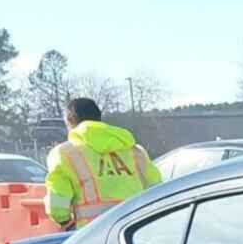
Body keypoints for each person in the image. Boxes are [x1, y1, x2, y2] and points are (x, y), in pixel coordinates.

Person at [43, 96, 161, 230]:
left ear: (69, 122)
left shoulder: (63, 154)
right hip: (136, 233)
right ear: (98, 118)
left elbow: (57, 207)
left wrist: (65, 222)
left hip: (93, 237)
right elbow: (157, 191)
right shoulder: (136, 151)